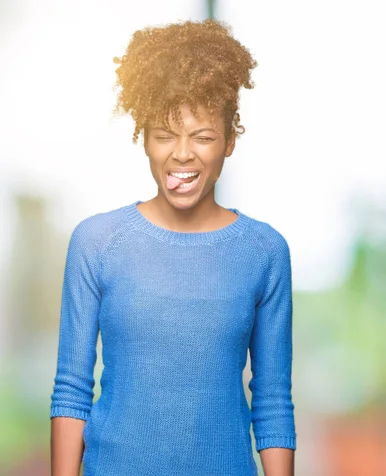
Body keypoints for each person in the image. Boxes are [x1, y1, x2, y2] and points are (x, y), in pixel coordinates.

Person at [49, 19, 296, 476]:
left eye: (202, 137)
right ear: (143, 138)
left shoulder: (264, 252)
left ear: (229, 141)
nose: (182, 154)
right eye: (164, 135)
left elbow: (273, 400)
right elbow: (71, 389)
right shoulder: (97, 243)